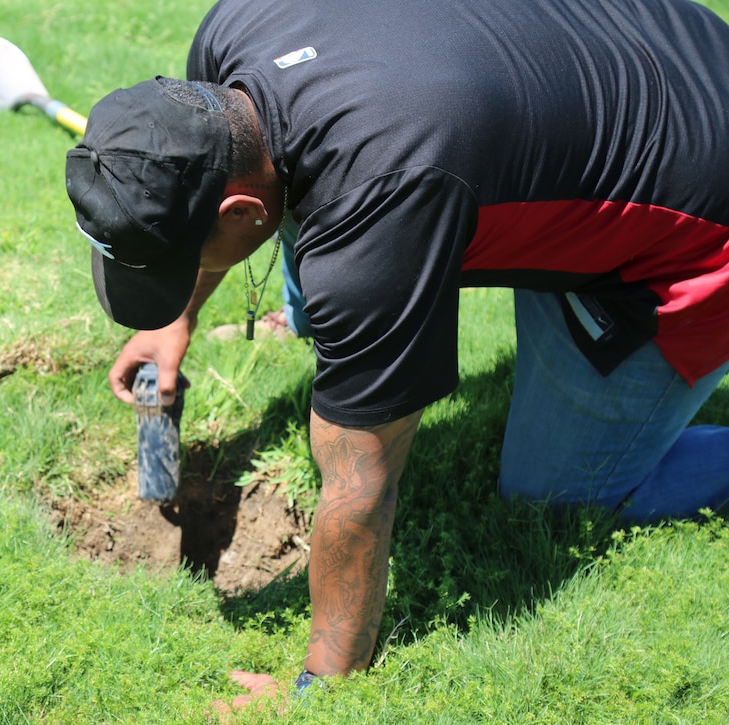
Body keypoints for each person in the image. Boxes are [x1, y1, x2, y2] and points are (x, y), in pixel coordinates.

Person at [64, 0, 729, 707]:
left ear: (240, 216)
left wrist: (322, 688)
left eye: (168, 270)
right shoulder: (228, 55)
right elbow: (259, 176)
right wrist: (177, 317)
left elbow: (361, 487)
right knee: (319, 203)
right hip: (638, 49)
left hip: (691, 215)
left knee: (557, 496)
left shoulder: (378, 206)